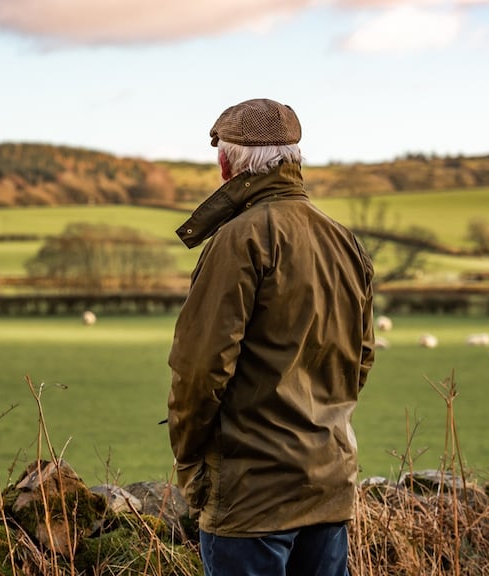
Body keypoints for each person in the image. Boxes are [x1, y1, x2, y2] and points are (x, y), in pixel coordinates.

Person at [167, 98, 376, 576]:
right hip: (328, 485)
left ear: (226, 164)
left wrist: (191, 461)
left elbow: (200, 370)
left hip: (251, 495)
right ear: (294, 160)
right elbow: (360, 359)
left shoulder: (239, 239)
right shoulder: (343, 240)